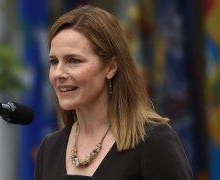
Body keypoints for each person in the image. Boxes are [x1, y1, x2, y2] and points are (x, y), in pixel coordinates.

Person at [34, 5, 193, 180]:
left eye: (73, 60)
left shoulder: (153, 141)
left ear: (111, 67)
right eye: (54, 61)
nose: (58, 74)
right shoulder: (49, 148)